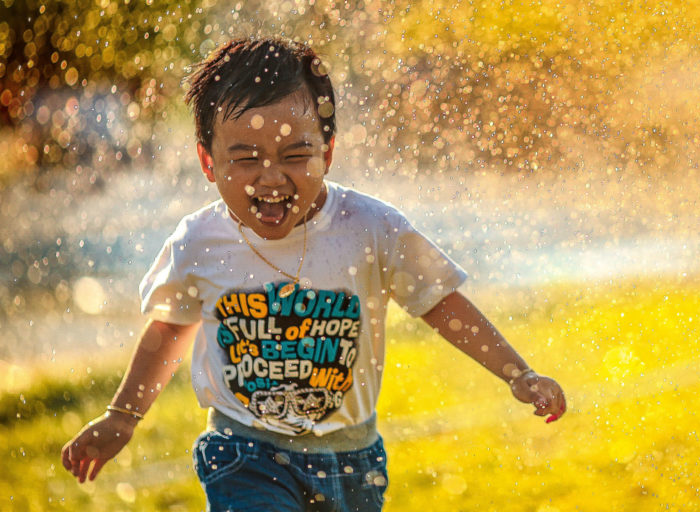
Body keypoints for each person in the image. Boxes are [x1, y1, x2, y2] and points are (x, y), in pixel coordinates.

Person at [61, 37, 566, 511]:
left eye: (295, 156)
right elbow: (170, 328)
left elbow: (439, 301)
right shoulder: (200, 241)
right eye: (245, 159)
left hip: (353, 460)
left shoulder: (370, 228)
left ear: (327, 152)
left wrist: (517, 372)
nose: (271, 177)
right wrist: (122, 416)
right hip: (244, 452)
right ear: (208, 162)